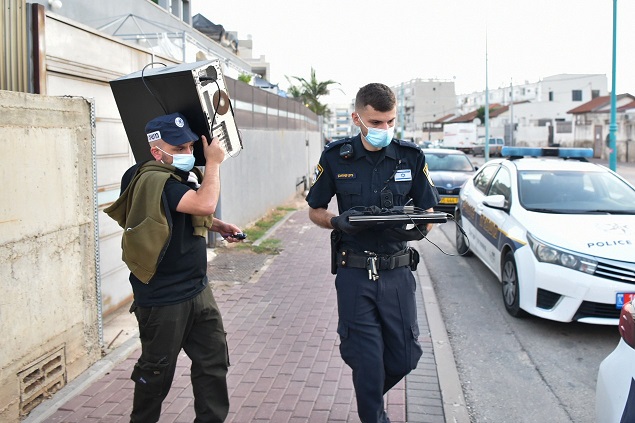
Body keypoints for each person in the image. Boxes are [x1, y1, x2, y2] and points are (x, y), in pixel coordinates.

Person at [305, 83, 439, 423]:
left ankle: (369, 391)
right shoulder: (337, 157)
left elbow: (429, 212)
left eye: (390, 122)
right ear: (356, 118)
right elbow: (314, 210)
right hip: (354, 273)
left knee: (406, 357)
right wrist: (337, 221)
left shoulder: (411, 156)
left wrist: (417, 229)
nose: (384, 130)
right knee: (366, 360)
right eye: (376, 123)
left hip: (397, 272)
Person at [104, 112, 243, 423]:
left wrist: (217, 226)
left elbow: (184, 210)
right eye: (179, 149)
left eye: (191, 147)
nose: (189, 154)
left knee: (213, 363)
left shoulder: (173, 178)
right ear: (157, 152)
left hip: (197, 288)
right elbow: (203, 203)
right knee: (156, 373)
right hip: (164, 297)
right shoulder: (154, 179)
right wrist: (215, 164)